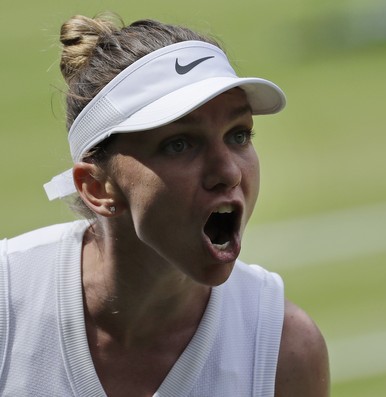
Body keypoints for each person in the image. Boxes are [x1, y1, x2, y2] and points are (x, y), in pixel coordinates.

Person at [0, 14, 329, 396]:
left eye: (238, 135)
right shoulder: (7, 302)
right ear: (97, 187)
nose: (228, 172)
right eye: (179, 144)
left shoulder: (283, 349)